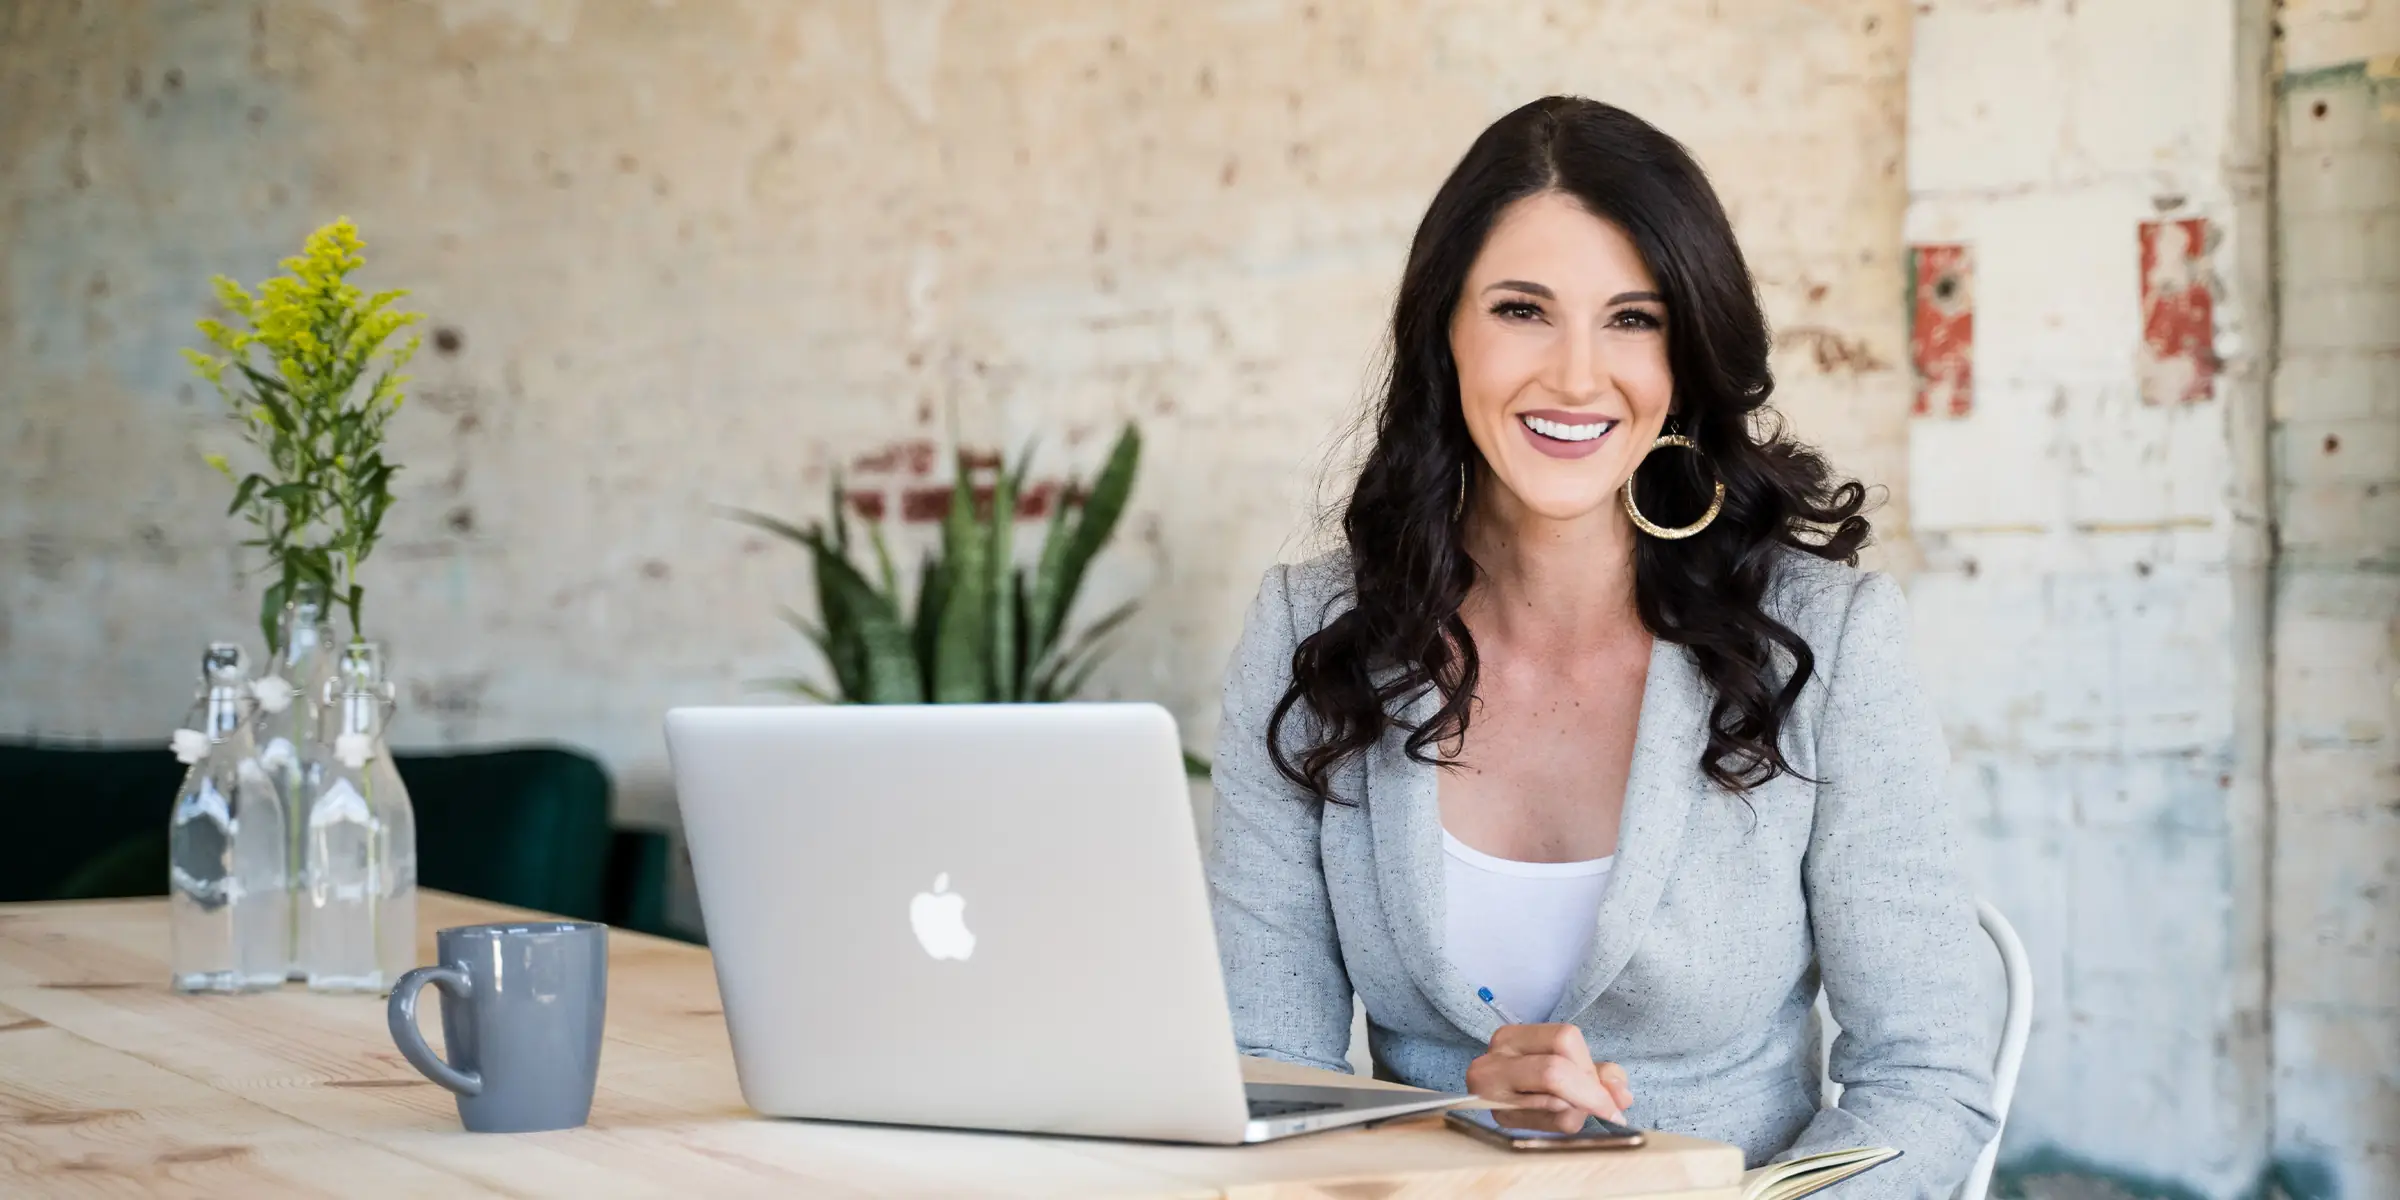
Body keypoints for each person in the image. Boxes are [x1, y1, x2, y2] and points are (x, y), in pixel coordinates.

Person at [1206, 96, 1998, 1196]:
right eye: (1523, 309)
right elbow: (1270, 1079)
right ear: (1445, 330)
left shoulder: (1826, 639)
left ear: (1686, 353)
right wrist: (1459, 1131)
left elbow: (1926, 1077)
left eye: (1634, 318)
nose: (1579, 377)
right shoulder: (1314, 634)